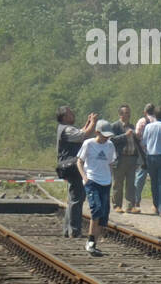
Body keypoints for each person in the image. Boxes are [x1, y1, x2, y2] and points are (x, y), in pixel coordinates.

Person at [76, 120, 119, 256]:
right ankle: (90, 241)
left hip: (106, 182)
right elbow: (79, 161)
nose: (106, 138)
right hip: (92, 181)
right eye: (104, 135)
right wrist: (85, 177)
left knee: (103, 215)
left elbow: (111, 163)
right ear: (97, 133)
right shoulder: (88, 144)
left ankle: (94, 243)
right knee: (96, 210)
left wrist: (111, 179)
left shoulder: (110, 145)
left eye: (108, 136)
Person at [55, 106, 96, 238]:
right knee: (77, 198)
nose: (73, 114)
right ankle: (74, 230)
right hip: (72, 166)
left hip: (68, 166)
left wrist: (88, 123)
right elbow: (84, 135)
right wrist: (93, 123)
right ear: (65, 117)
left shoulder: (65, 129)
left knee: (74, 198)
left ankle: (68, 230)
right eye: (70, 113)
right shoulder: (67, 129)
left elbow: (80, 131)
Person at [109, 104, 140, 213]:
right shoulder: (115, 126)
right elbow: (111, 140)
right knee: (118, 183)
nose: (128, 115)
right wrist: (125, 135)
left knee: (131, 183)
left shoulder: (132, 126)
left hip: (132, 158)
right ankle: (117, 205)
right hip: (120, 158)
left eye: (129, 112)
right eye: (126, 112)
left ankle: (130, 206)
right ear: (120, 114)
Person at [131, 103, 157, 211]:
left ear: (145, 112)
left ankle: (136, 201)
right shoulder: (157, 121)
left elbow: (137, 135)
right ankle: (156, 204)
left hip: (142, 153)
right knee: (156, 179)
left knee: (140, 177)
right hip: (155, 153)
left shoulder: (142, 121)